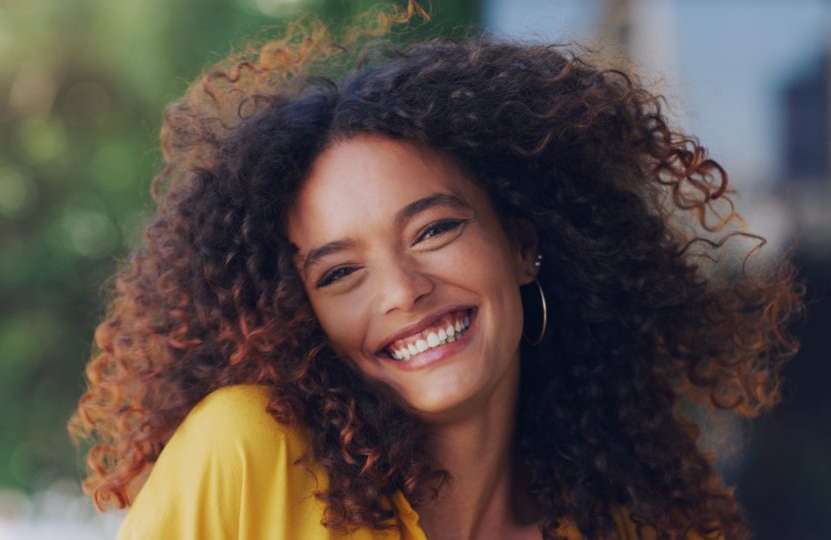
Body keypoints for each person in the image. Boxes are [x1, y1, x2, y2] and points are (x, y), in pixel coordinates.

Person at [70, 5, 802, 539]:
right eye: (338, 274)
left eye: (436, 229)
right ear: (303, 318)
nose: (402, 290)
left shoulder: (634, 519)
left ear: (519, 245)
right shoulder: (246, 454)